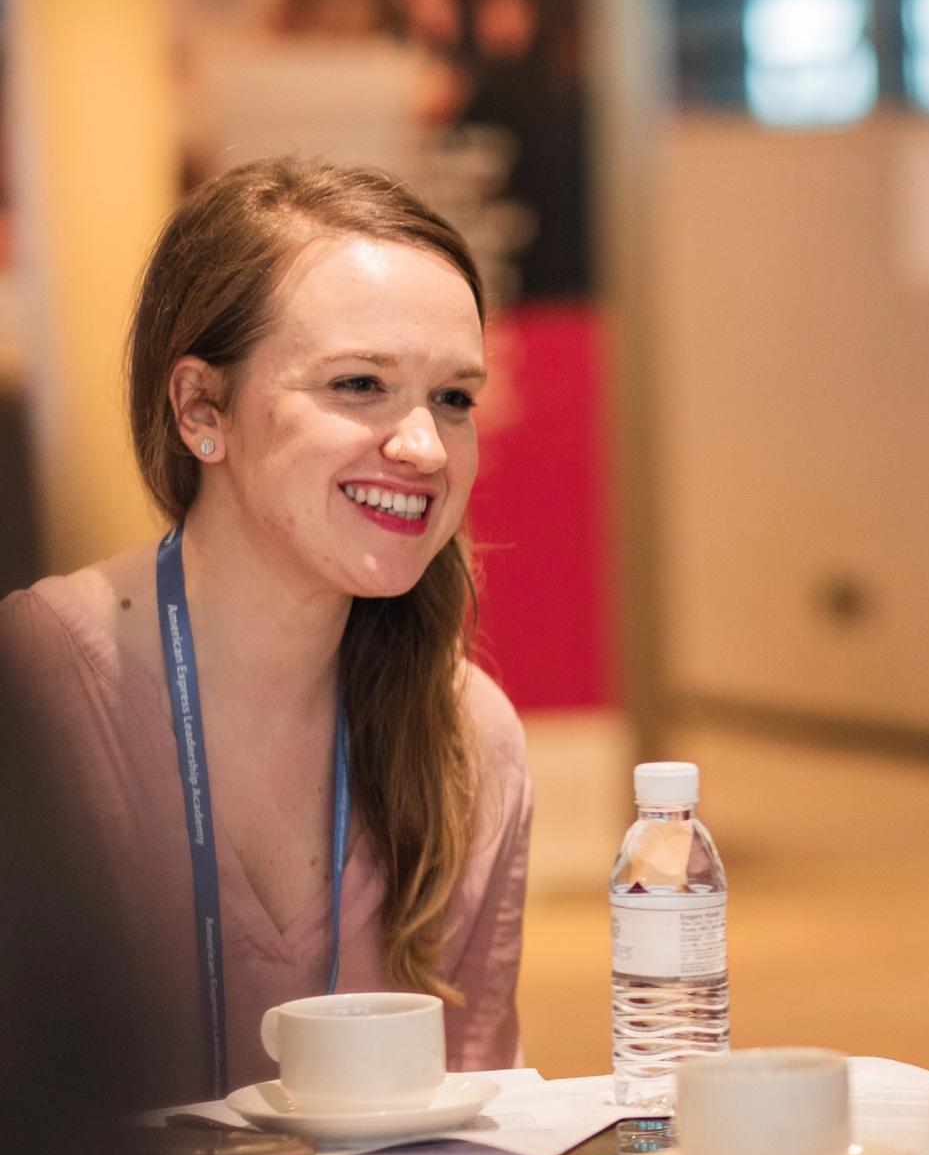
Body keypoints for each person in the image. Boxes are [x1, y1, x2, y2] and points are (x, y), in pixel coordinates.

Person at [0, 158, 532, 1104]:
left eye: (454, 397)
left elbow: (466, 1133)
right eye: (360, 383)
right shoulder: (38, 689)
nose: (423, 447)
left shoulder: (469, 738)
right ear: (203, 408)